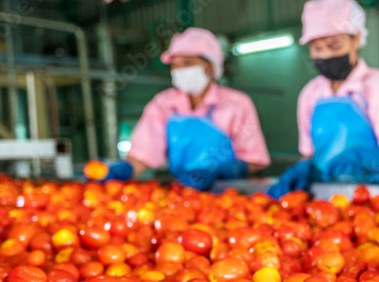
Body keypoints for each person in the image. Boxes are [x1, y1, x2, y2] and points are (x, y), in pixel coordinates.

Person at [268, 0, 379, 197]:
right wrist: (304, 168)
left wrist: (365, 161)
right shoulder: (310, 94)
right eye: (317, 48)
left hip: (376, 198)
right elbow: (309, 154)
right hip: (324, 198)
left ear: (356, 38)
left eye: (334, 45)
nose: (326, 56)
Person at [96, 27, 270, 190]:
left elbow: (254, 159)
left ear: (209, 67)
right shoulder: (163, 104)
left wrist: (222, 170)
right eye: (174, 65)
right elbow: (144, 153)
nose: (179, 70)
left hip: (229, 193)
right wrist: (125, 169)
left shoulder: (237, 104)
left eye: (187, 63)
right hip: (182, 193)